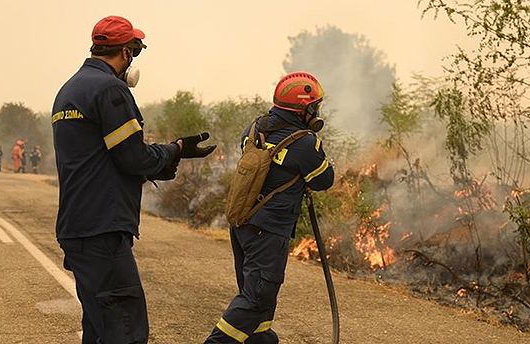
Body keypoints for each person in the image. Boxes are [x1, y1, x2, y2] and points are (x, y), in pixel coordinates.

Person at [51, 15, 215, 344]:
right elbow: (132, 156)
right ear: (127, 53)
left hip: (78, 227)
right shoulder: (110, 89)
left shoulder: (68, 90)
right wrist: (175, 150)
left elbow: (100, 158)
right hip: (103, 229)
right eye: (135, 50)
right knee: (126, 328)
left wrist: (153, 165)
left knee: (99, 330)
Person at [204, 72, 334, 344]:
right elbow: (324, 180)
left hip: (242, 224)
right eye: (315, 107)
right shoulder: (306, 143)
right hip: (269, 230)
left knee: (259, 308)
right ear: (304, 109)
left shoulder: (253, 129)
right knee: (256, 299)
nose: (316, 112)